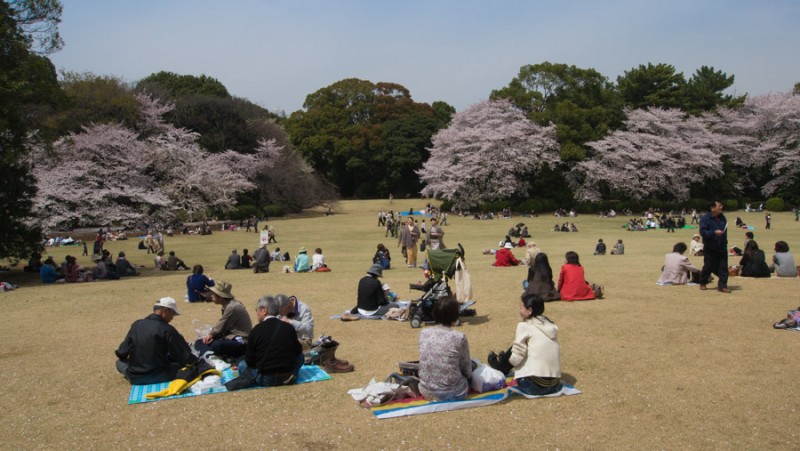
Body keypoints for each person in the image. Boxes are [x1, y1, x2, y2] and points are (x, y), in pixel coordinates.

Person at [489, 293, 561, 395]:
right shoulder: (550, 325)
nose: (519, 311)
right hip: (555, 385)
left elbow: (517, 357)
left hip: (535, 386)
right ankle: (501, 364)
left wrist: (508, 363)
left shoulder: (524, 326)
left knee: (516, 348)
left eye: (521, 307)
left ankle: (500, 366)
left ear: (530, 310)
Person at [115, 297, 197, 385]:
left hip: (135, 377)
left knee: (119, 362)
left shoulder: (136, 325)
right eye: (172, 314)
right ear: (165, 311)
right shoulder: (167, 329)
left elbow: (122, 353)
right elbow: (184, 357)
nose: (172, 318)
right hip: (161, 375)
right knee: (177, 365)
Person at [236, 296, 304, 387]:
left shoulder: (256, 330)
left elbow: (249, 361)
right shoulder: (288, 327)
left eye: (257, 310)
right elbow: (298, 351)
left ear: (264, 310)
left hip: (266, 379)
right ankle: (293, 375)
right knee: (301, 356)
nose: (257, 313)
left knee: (242, 365)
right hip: (287, 375)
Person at [418, 295, 472, 401]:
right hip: (453, 393)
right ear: (455, 316)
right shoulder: (459, 337)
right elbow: (467, 371)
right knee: (473, 365)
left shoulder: (424, 333)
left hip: (426, 391)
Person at [193, 281, 252, 359]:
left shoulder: (232, 307)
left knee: (217, 345)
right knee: (200, 342)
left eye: (213, 294)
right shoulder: (228, 305)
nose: (211, 296)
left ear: (220, 296)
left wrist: (211, 335)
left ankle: (211, 357)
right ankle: (211, 355)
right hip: (230, 337)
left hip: (241, 341)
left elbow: (220, 327)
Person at [699, 200, 729, 293]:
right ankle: (703, 282)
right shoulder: (705, 219)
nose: (721, 207)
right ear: (712, 208)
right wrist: (713, 232)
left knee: (723, 267)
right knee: (708, 266)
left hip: (722, 246)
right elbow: (703, 232)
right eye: (719, 205)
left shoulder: (722, 218)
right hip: (710, 246)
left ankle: (722, 285)